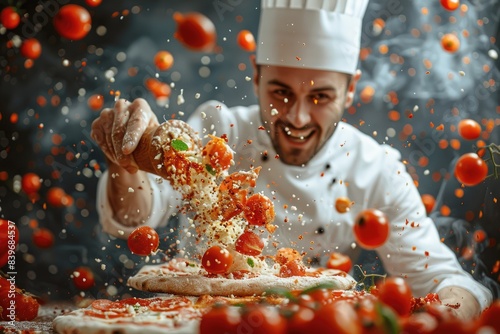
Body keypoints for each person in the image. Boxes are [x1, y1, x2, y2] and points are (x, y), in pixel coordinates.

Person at [90, 0, 493, 319]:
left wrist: (451, 313)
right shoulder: (219, 132)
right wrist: (123, 161)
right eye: (280, 92)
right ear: (256, 76)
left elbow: (443, 280)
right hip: (198, 321)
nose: (297, 118)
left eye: (320, 97)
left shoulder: (376, 169)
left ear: (350, 91)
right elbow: (135, 216)